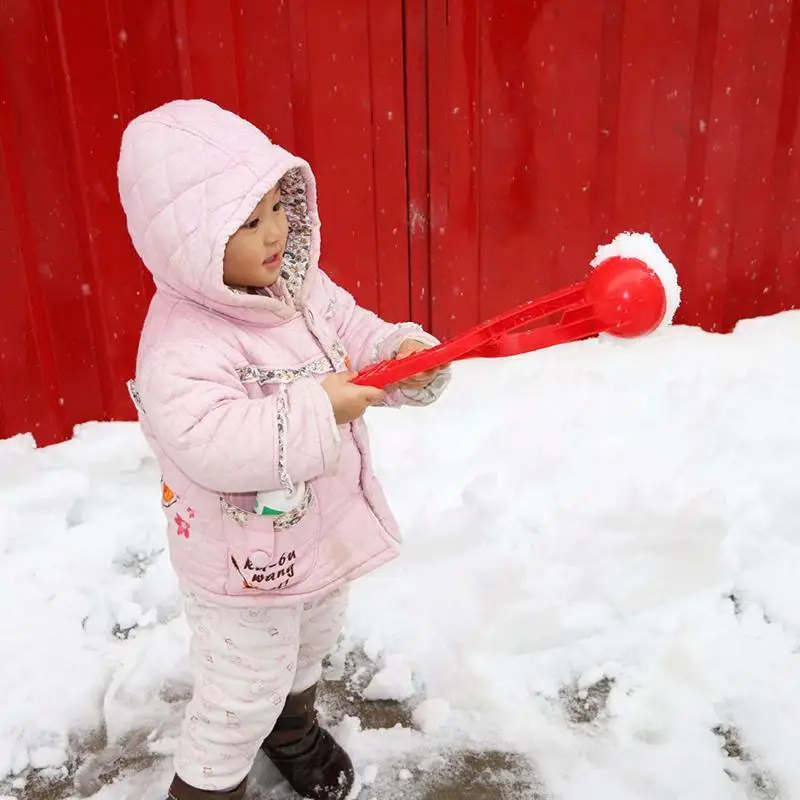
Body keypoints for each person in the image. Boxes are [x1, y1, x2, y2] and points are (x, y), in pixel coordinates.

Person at [117, 99, 449, 800]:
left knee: (309, 644)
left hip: (315, 531)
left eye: (277, 206)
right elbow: (208, 442)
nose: (275, 233)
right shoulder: (183, 342)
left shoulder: (294, 286)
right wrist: (317, 407)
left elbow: (349, 329)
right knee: (240, 692)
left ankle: (292, 730)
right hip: (241, 564)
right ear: (189, 240)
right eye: (246, 223)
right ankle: (208, 787)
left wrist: (398, 354)